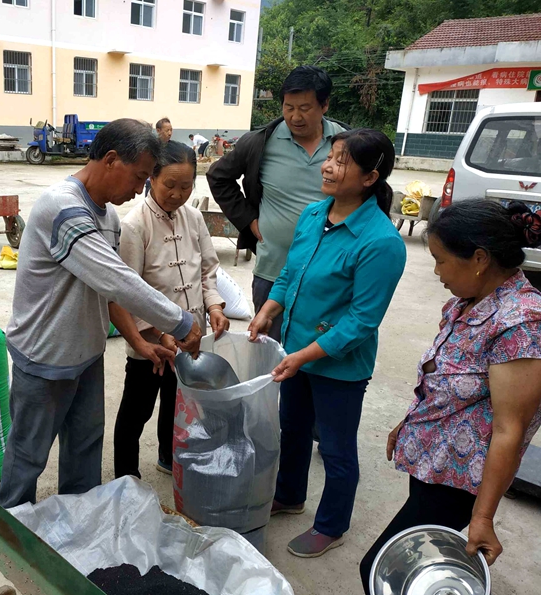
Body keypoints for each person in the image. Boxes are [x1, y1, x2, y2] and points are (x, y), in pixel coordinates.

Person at [0, 119, 202, 509]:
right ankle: (10, 528)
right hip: (45, 357)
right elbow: (118, 279)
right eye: (139, 177)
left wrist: (141, 338)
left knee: (85, 450)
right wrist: (181, 321)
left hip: (86, 356)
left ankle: (79, 521)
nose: (139, 189)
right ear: (110, 160)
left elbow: (108, 292)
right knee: (28, 454)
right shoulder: (63, 208)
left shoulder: (106, 216)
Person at [359, 200, 541, 593]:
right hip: (434, 463)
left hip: (461, 482)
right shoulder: (469, 301)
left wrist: (483, 516)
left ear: (479, 258)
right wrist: (409, 423)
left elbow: (510, 429)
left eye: (441, 261)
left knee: (380, 569)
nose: (436, 272)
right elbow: (445, 379)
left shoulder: (520, 324)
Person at [248, 129, 406, 557]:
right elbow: (288, 274)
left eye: (341, 160)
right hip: (296, 351)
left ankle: (332, 524)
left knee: (335, 448)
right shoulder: (314, 214)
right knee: (292, 429)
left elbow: (360, 322)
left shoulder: (381, 242)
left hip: (337, 365)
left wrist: (303, 356)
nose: (328, 166)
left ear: (370, 178)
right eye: (330, 157)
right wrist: (269, 311)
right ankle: (290, 496)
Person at [114, 141, 230, 479]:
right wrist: (158, 333)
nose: (177, 194)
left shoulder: (193, 218)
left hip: (190, 336)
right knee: (137, 410)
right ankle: (126, 474)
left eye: (186, 186)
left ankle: (169, 455)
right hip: (151, 341)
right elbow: (128, 289)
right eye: (169, 185)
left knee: (179, 402)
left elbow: (208, 270)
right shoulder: (135, 225)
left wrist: (214, 307)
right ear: (152, 178)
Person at [208, 65, 347, 341]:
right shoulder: (262, 142)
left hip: (328, 274)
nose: (295, 116)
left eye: (305, 108)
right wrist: (249, 220)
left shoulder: (346, 145)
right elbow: (218, 176)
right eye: (288, 107)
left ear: (325, 104)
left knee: (316, 353)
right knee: (268, 351)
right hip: (273, 271)